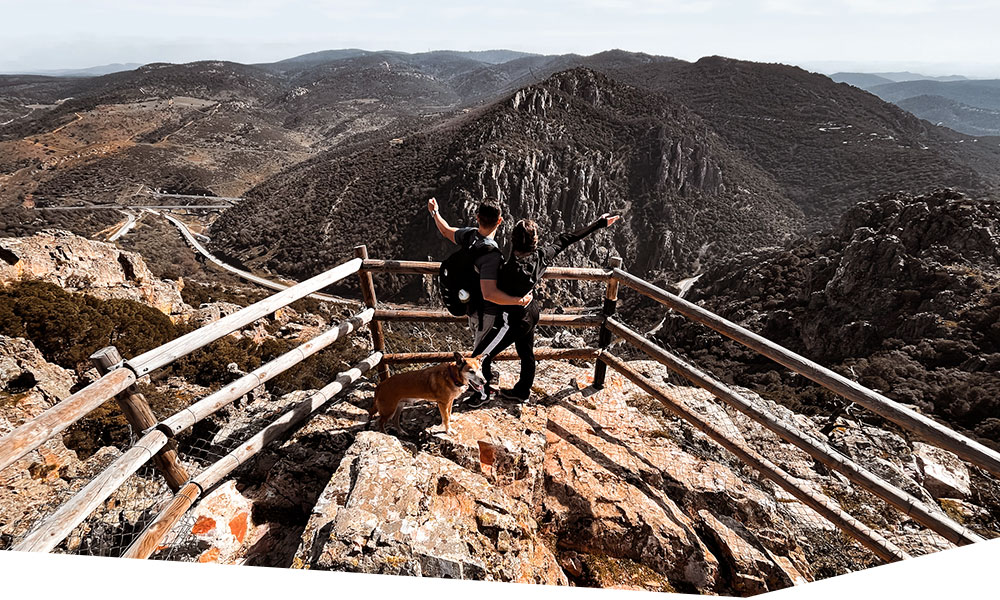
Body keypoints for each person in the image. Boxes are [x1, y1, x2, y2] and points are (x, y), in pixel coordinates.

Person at [477, 213, 620, 404]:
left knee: (481, 357)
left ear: (513, 241)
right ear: (535, 242)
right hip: (532, 312)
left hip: (513, 319)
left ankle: (482, 394)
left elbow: (492, 293)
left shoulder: (508, 270)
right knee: (526, 354)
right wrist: (599, 223)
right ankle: (522, 392)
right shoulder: (542, 256)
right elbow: (567, 238)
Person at [427, 197, 533, 406]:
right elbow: (490, 294)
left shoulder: (469, 236)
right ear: (500, 221)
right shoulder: (491, 255)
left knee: (480, 348)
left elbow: (446, 230)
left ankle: (487, 381)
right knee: (481, 353)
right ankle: (483, 395)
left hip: (470, 306)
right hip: (486, 312)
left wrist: (435, 212)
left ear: (477, 218)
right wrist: (518, 301)